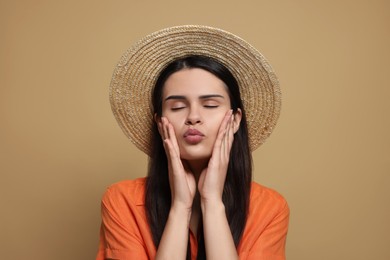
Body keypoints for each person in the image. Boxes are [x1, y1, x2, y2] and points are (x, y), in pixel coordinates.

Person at [96, 25, 289, 260]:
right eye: (177, 107)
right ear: (159, 123)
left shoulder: (269, 208)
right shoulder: (121, 200)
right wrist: (180, 207)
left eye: (210, 105)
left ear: (236, 119)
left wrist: (212, 203)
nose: (193, 117)